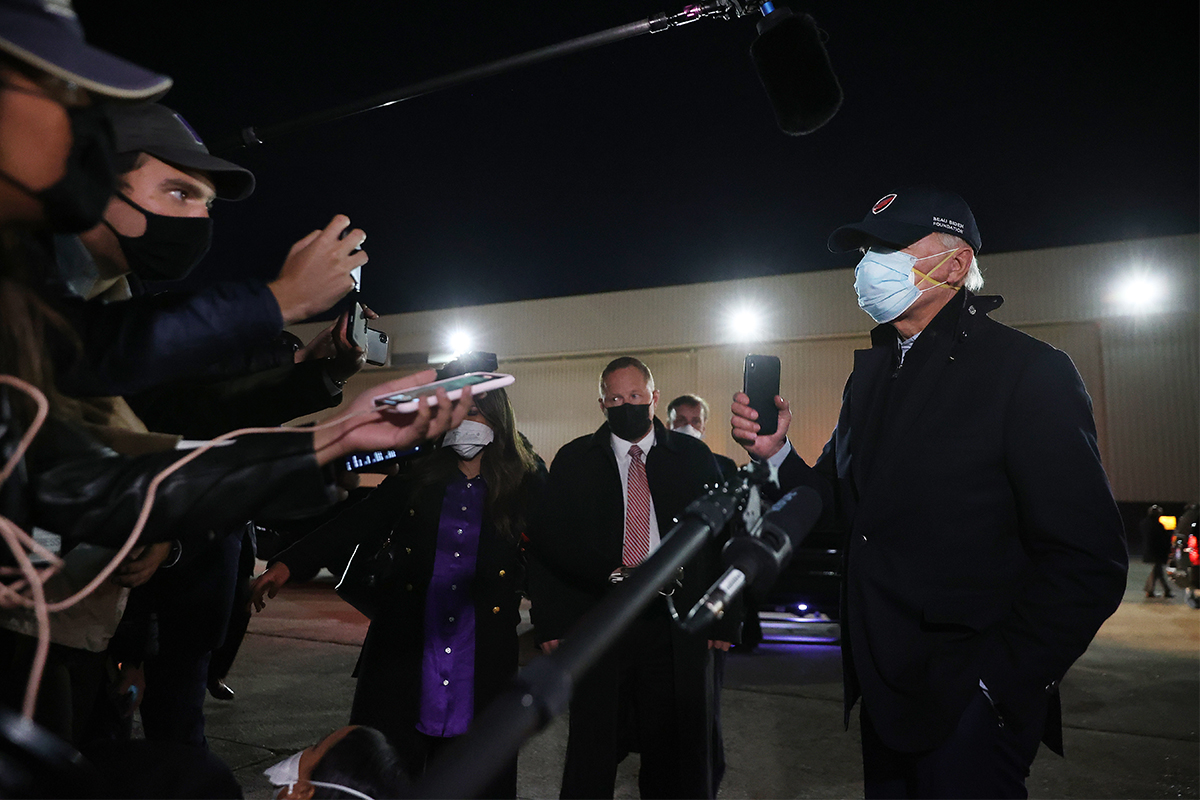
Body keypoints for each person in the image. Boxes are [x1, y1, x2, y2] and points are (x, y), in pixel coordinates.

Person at [730, 187, 1128, 799]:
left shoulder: (1028, 372)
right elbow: (844, 508)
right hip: (886, 691)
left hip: (970, 700)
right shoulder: (871, 377)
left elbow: (1088, 560)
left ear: (956, 264)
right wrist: (777, 454)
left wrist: (997, 686)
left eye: (889, 247)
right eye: (865, 249)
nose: (868, 265)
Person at [251, 383, 543, 798]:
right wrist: (285, 565)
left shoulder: (523, 489)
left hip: (479, 653)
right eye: (457, 413)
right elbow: (354, 522)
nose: (466, 423)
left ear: (499, 422)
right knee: (390, 764)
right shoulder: (417, 480)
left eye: (477, 412)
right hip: (408, 644)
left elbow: (555, 549)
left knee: (475, 772)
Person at [528, 356, 737, 799]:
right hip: (600, 622)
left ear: (654, 398)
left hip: (674, 625)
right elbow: (549, 546)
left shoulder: (693, 458)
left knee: (675, 754)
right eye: (616, 398)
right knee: (592, 751)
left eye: (636, 396)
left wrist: (725, 615)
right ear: (602, 402)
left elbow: (723, 539)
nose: (626, 405)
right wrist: (551, 622)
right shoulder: (574, 460)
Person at [666, 394, 738, 482]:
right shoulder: (656, 464)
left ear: (703, 428)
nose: (689, 427)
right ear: (669, 426)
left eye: (695, 421)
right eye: (681, 420)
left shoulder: (724, 466)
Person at [1141, 505, 1172, 598]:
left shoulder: (1145, 523)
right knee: (1157, 571)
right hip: (1156, 552)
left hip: (1150, 551)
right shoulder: (1157, 525)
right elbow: (1163, 539)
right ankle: (1159, 590)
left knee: (1157, 572)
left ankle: (1154, 590)